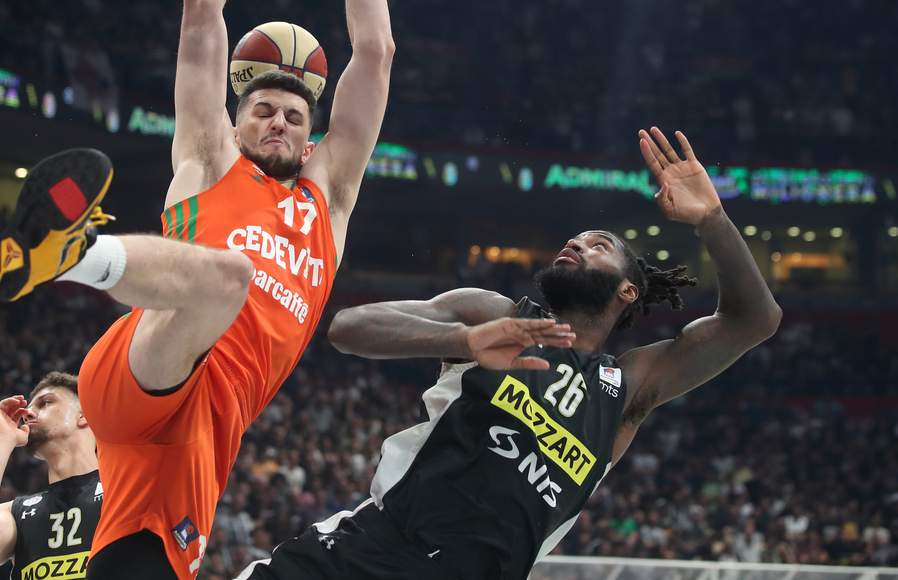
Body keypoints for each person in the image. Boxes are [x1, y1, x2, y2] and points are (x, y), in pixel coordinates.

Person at [0, 0, 393, 580]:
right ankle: (71, 252)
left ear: (313, 132)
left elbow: (377, 51)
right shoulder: (210, 160)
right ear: (236, 124)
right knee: (228, 277)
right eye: (263, 110)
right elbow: (202, 13)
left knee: (143, 563)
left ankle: (78, 254)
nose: (278, 123)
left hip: (201, 433)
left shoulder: (326, 199)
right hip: (145, 365)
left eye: (295, 116)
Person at [237, 128, 782, 580]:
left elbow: (755, 320)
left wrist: (711, 219)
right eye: (575, 238)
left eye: (598, 245)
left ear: (628, 290)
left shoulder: (628, 387)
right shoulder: (494, 312)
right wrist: (461, 342)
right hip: (371, 553)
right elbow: (349, 327)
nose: (576, 244)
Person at [0, 373, 99, 580]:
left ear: (83, 415)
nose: (28, 413)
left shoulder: (125, 491)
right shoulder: (17, 513)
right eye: (29, 407)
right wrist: (1, 439)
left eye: (45, 403)